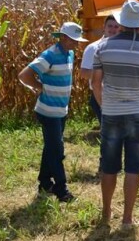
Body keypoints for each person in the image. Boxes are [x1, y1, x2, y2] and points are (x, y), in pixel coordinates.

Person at [92, 0, 139, 229]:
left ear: (121, 22)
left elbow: (96, 83)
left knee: (109, 166)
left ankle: (106, 214)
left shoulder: (103, 47)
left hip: (112, 112)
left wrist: (105, 106)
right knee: (133, 167)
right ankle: (127, 219)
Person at [18, 21, 88, 203]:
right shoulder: (50, 55)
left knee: (51, 147)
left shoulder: (70, 54)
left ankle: (44, 182)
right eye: (73, 40)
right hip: (48, 111)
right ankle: (61, 189)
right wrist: (40, 87)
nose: (77, 44)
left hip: (60, 110)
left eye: (78, 40)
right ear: (63, 38)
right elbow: (24, 75)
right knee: (57, 150)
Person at [79, 14, 120, 128]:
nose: (113, 29)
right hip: (100, 95)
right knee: (110, 133)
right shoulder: (93, 48)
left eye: (116, 27)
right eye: (110, 26)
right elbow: (84, 73)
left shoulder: (121, 47)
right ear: (104, 27)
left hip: (118, 95)